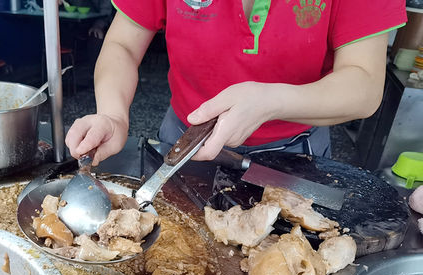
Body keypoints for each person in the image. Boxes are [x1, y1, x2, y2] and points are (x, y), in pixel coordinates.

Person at [65, 0, 406, 165]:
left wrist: (271, 102)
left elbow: (364, 84)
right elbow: (122, 44)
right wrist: (113, 115)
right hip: (185, 140)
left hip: (293, 151)